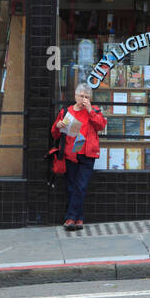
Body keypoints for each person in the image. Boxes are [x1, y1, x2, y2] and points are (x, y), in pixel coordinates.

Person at [51, 82, 105, 231]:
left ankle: (70, 218)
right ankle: (78, 218)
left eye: (87, 97)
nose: (83, 99)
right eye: (81, 96)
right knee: (71, 187)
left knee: (80, 186)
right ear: (75, 96)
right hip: (71, 154)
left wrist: (90, 110)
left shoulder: (94, 110)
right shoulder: (66, 112)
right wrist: (58, 126)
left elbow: (101, 125)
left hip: (87, 154)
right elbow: (55, 133)